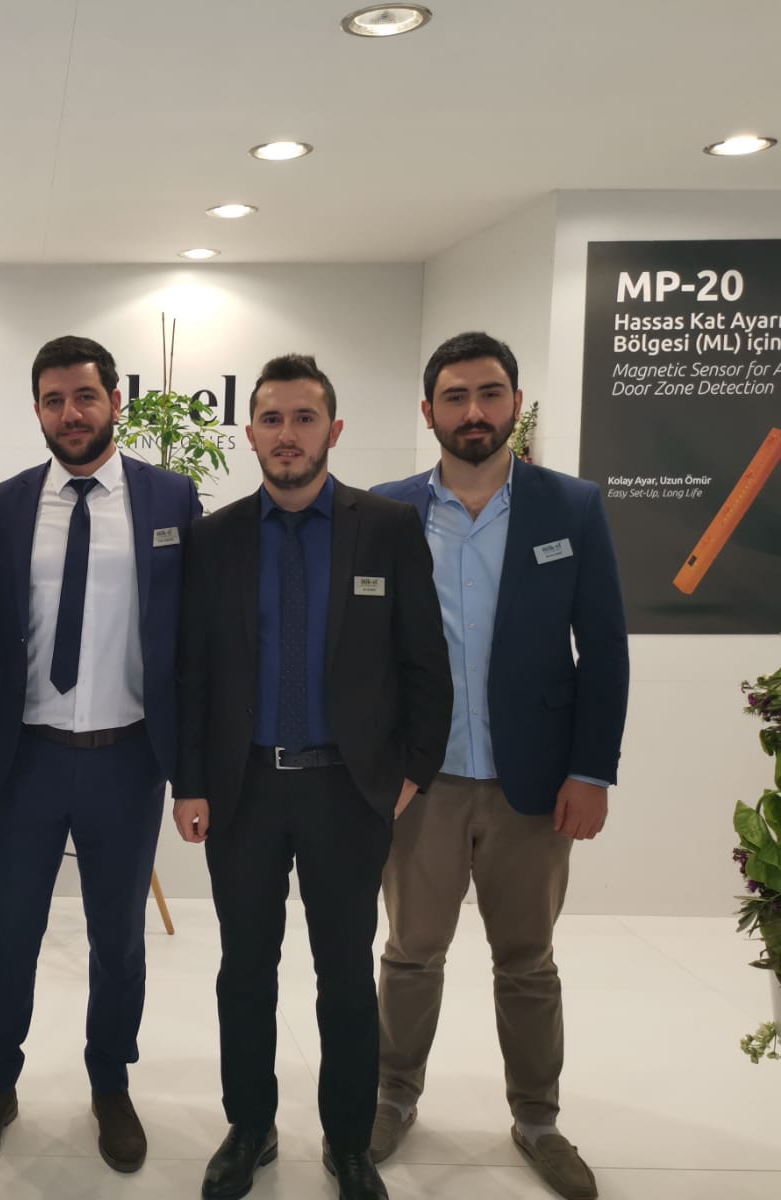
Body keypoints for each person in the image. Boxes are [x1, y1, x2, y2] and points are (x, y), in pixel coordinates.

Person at [174, 354, 451, 1200]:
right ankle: (249, 1128)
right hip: (245, 792)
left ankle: (349, 1140)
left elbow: (425, 663)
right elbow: (191, 670)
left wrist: (411, 774)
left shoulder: (388, 527)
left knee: (345, 975)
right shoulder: (215, 537)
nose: (287, 434)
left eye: (303, 418)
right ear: (251, 433)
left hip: (348, 793)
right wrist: (190, 782)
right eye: (272, 419)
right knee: (245, 970)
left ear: (333, 429)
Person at [370, 332, 629, 1200]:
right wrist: (378, 766)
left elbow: (604, 648)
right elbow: (364, 655)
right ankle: (391, 1097)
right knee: (411, 953)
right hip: (423, 784)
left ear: (515, 402)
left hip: (536, 784)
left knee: (527, 960)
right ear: (428, 411)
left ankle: (539, 1120)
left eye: (489, 394)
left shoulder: (571, 507)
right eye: (455, 396)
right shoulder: (389, 512)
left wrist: (591, 770)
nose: (473, 411)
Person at [0, 334, 200, 1175]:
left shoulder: (170, 497)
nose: (71, 414)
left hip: (128, 760)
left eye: (85, 396)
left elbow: (191, 626)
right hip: (29, 756)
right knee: (10, 935)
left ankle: (110, 1084)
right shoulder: (2, 505)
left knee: (117, 939)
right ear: (37, 410)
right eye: (54, 400)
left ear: (115, 401)